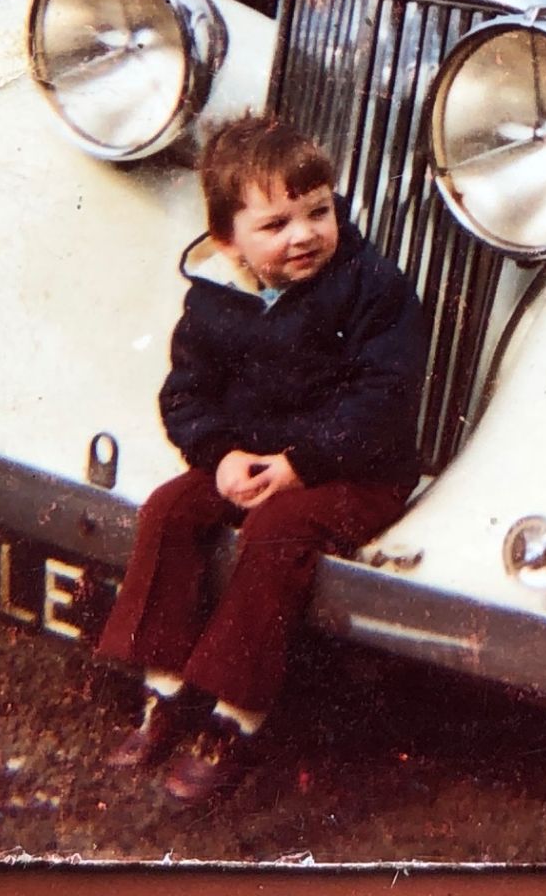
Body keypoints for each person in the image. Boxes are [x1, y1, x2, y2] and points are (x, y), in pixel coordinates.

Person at [94, 114, 427, 805]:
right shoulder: (215, 300)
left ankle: (235, 718)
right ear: (228, 240)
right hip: (254, 462)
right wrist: (219, 457)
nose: (305, 234)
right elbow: (186, 395)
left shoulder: (372, 288)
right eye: (275, 225)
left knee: (278, 534)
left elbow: (384, 400)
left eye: (319, 212)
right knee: (172, 509)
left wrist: (300, 462)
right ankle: (165, 690)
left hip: (356, 470)